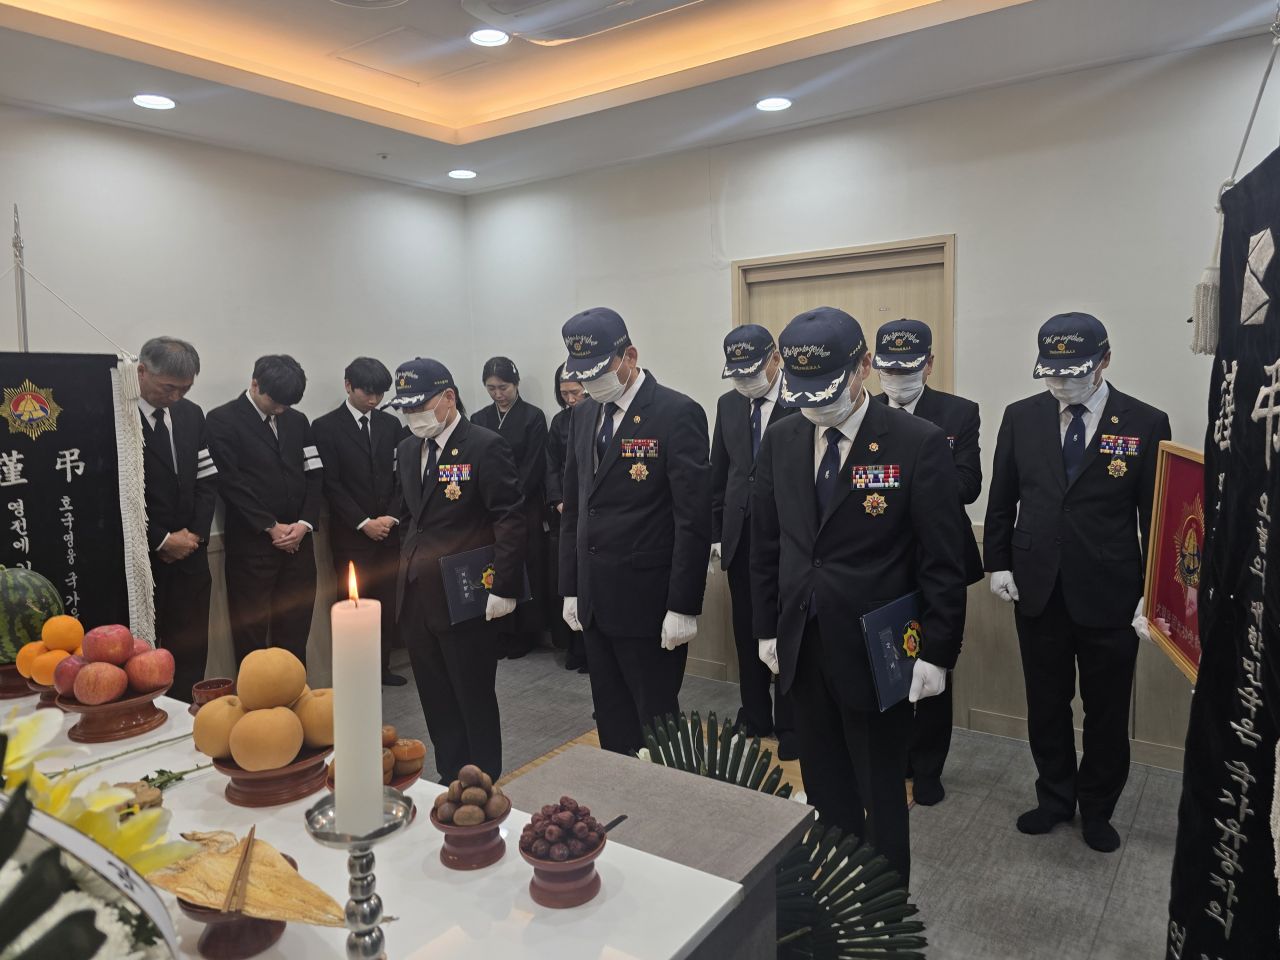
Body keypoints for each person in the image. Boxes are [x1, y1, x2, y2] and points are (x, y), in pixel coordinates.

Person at [751, 306, 966, 886]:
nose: (816, 406)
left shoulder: (916, 442)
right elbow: (768, 543)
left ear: (863, 367)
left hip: (879, 649)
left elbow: (942, 559)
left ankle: (885, 907)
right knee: (824, 785)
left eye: (826, 389)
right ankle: (842, 893)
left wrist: (938, 651)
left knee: (880, 789)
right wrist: (766, 629)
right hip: (803, 643)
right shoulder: (782, 438)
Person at [984, 313, 1170, 853]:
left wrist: (1154, 591)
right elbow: (1002, 497)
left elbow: (1156, 515)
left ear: (1104, 360)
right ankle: (1054, 798)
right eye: (1052, 372)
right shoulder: (1021, 417)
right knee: (1046, 703)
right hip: (1037, 587)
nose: (1061, 383)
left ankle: (1098, 807)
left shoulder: (1145, 422)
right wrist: (998, 562)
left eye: (1073, 372)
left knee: (1106, 710)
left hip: (1111, 592)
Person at [559, 307, 712, 756]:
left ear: (629, 356)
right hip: (595, 598)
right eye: (582, 375)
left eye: (599, 371)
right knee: (611, 719)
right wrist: (570, 586)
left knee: (656, 724)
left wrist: (683, 605)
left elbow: (692, 518)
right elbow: (576, 507)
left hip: (648, 602)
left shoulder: (676, 412)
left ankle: (665, 799)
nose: (591, 383)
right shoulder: (584, 414)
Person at [390, 357, 524, 781]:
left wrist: (504, 585)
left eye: (420, 406)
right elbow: (412, 518)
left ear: (448, 397)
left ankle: (483, 785)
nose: (413, 415)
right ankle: (450, 779)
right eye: (406, 408)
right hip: (417, 594)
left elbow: (509, 518)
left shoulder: (484, 445)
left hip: (466, 595)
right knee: (435, 698)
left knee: (472, 696)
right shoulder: (408, 448)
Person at [872, 319, 984, 806]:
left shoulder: (957, 413)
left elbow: (969, 484)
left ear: (929, 365)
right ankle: (895, 757)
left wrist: (907, 484)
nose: (898, 378)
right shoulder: (865, 413)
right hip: (883, 561)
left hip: (939, 559)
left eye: (908, 368)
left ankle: (929, 766)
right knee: (888, 661)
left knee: (935, 660)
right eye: (889, 369)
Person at [709, 324, 798, 757]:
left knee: (788, 631)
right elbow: (719, 472)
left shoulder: (800, 399)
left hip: (789, 539)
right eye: (738, 374)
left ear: (775, 359)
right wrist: (715, 533)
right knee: (747, 632)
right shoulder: (728, 405)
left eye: (752, 371)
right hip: (740, 537)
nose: (746, 381)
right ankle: (755, 713)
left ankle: (792, 722)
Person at [206, 355, 323, 666]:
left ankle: (295, 689)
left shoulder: (298, 420)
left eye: (288, 403)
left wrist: (305, 523)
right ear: (255, 384)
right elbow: (230, 482)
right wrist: (270, 526)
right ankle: (256, 695)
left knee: (296, 626)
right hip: (253, 546)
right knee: (251, 631)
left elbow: (314, 474)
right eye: (275, 401)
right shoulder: (222, 420)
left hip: (299, 542)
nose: (281, 409)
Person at [312, 357, 407, 686]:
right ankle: (356, 675)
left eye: (380, 394)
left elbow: (400, 476)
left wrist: (390, 517)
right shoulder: (325, 427)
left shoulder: (390, 425)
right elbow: (331, 484)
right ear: (348, 386)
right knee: (352, 604)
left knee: (386, 603)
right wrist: (364, 521)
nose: (374, 400)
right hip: (351, 535)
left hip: (388, 532)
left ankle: (382, 668)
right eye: (368, 393)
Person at [136, 337, 217, 702]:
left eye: (185, 389)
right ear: (141, 372)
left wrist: (194, 535)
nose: (175, 397)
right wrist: (162, 540)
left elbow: (206, 480)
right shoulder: (116, 417)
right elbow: (111, 493)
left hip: (190, 556)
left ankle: (189, 714)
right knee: (144, 656)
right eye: (168, 387)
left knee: (191, 648)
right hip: (144, 558)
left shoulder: (191, 414)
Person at [471, 357, 549, 660]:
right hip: (489, 507)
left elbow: (534, 465)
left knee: (525, 564)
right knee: (493, 566)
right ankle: (499, 629)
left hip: (523, 504)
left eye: (503, 387)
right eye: (491, 388)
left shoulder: (533, 416)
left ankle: (524, 633)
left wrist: (511, 498)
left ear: (515, 384)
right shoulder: (479, 418)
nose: (498, 394)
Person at [546, 363, 587, 671]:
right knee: (567, 580)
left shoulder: (600, 416)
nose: (570, 399)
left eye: (575, 392)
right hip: (566, 513)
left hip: (592, 510)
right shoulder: (560, 422)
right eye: (564, 394)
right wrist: (558, 500)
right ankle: (572, 649)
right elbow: (550, 465)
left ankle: (590, 653)